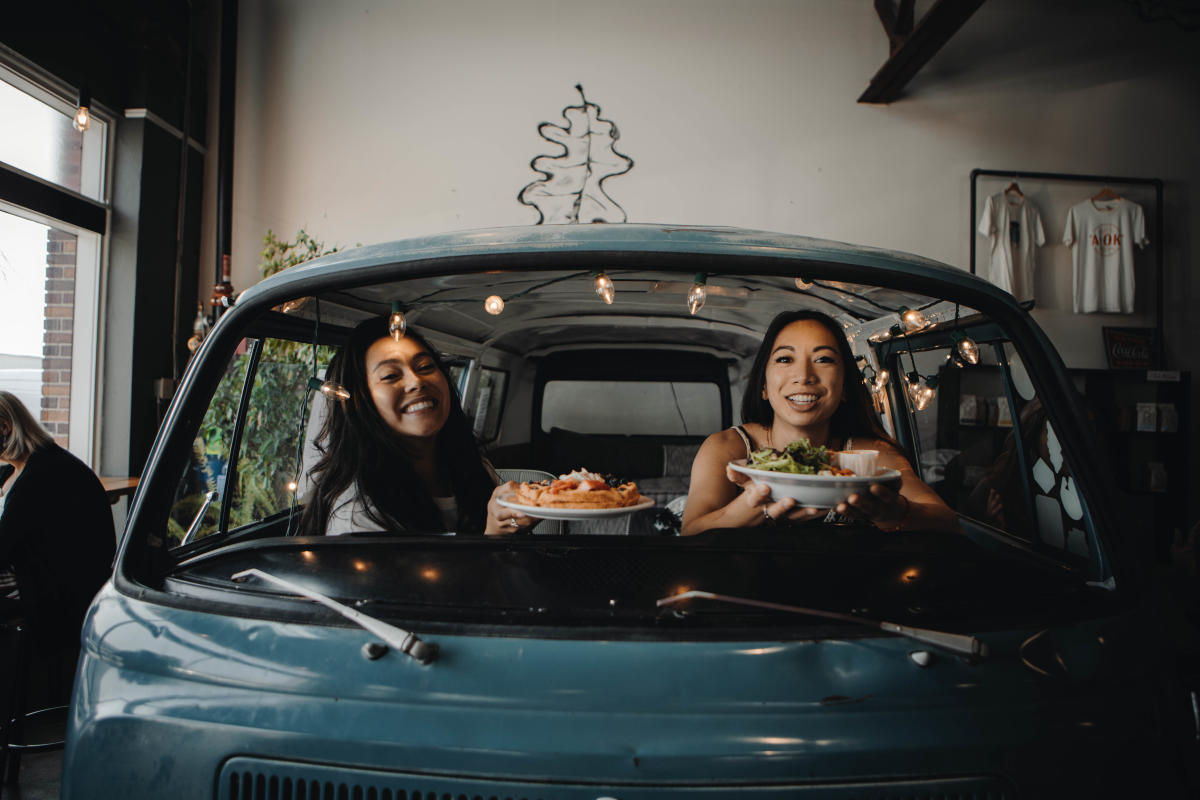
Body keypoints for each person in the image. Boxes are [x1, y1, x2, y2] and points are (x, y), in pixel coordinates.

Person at [681, 310, 958, 536]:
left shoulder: (865, 457)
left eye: (823, 359)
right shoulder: (729, 449)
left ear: (846, 386)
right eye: (785, 359)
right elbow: (692, 531)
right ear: (763, 386)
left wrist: (895, 512)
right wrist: (754, 507)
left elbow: (947, 523)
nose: (803, 375)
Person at [299, 316, 535, 536]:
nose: (416, 382)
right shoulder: (357, 512)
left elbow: (510, 541)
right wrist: (492, 537)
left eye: (425, 367)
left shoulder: (474, 466)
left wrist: (514, 523)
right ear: (360, 400)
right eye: (390, 375)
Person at [0, 390, 116, 702]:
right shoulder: (32, 465)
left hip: (56, 599)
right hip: (59, 587)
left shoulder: (40, 476)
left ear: (5, 428)